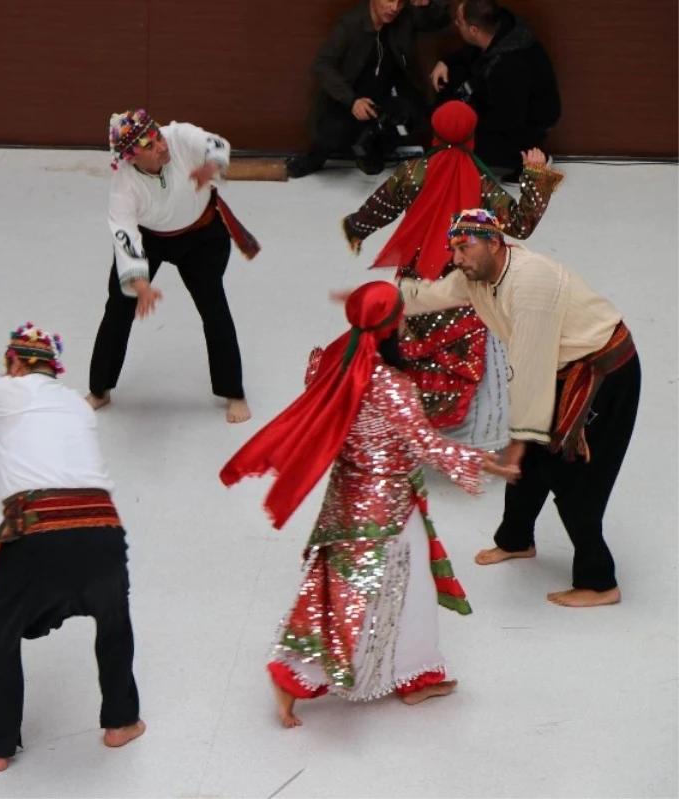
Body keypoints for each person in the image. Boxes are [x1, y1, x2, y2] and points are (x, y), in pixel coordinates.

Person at [220, 282, 517, 728]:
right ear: (393, 324)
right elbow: (426, 444)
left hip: (345, 499)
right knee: (392, 590)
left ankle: (315, 675)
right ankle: (366, 675)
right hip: (388, 507)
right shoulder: (391, 386)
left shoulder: (329, 364)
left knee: (335, 587)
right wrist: (483, 463)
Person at [396, 209, 640, 608]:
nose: (457, 258)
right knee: (528, 468)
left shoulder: (530, 284)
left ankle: (599, 583)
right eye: (453, 248)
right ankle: (516, 541)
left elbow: (531, 366)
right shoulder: (479, 276)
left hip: (605, 373)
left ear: (494, 242)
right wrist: (389, 298)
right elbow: (432, 294)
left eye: (465, 246)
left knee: (573, 475)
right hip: (561, 369)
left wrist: (520, 437)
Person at [0, 323, 145, 771]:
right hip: (103, 533)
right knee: (114, 621)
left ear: (15, 362)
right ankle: (121, 722)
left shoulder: (7, 389)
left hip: (41, 536)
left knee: (0, 630)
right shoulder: (77, 405)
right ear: (54, 368)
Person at [342, 100, 564, 448]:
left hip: (417, 283)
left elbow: (380, 206)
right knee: (464, 355)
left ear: (434, 132)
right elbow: (520, 224)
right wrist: (535, 177)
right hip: (466, 285)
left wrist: (356, 228)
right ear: (472, 136)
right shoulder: (481, 184)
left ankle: (407, 425)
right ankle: (467, 435)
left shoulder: (414, 171)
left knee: (411, 349)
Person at [90, 109, 260, 424]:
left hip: (202, 235)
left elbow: (217, 144)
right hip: (149, 238)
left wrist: (210, 166)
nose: (161, 146)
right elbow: (125, 232)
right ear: (131, 157)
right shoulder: (124, 183)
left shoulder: (178, 136)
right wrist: (139, 284)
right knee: (119, 306)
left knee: (213, 305)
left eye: (158, 137)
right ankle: (100, 389)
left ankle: (233, 392)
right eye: (151, 146)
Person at [286, 0, 451, 178]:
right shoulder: (350, 24)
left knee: (409, 113)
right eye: (389, 0)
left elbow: (439, 20)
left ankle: (374, 151)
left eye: (400, 2)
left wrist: (428, 3)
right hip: (349, 102)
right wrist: (352, 100)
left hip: (382, 101)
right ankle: (316, 157)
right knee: (334, 129)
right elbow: (322, 66)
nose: (394, 8)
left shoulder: (404, 18)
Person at [430, 0, 561, 180]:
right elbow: (471, 52)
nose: (455, 24)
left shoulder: (510, 65)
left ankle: (526, 162)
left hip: (526, 123)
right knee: (455, 75)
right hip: (504, 104)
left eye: (459, 22)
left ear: (474, 30)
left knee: (462, 146)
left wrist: (466, 126)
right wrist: (445, 62)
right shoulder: (501, 29)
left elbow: (507, 119)